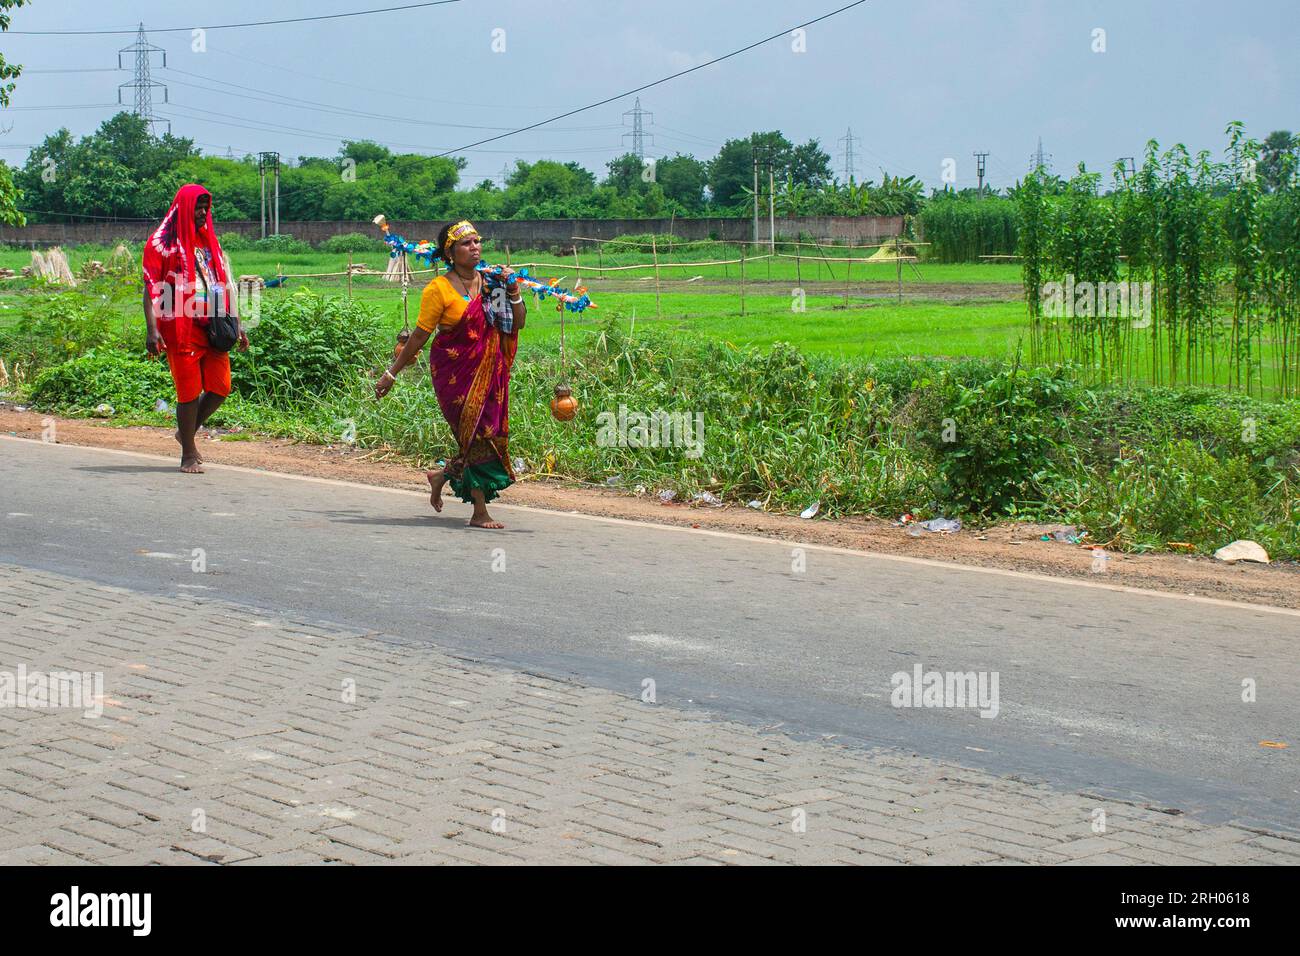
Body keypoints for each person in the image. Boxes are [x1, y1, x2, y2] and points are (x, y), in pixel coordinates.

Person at [374, 220, 526, 529]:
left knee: (487, 436)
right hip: (454, 374)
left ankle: (441, 476)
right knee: (475, 436)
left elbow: (515, 324)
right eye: (467, 244)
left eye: (477, 242)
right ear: (451, 253)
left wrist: (513, 291)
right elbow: (419, 336)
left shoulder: (490, 284)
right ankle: (479, 512)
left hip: (490, 373)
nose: (475, 248)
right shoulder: (438, 289)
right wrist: (391, 374)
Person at [142, 183, 248, 474]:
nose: (203, 213)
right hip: (181, 326)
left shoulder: (209, 241)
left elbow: (225, 284)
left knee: (221, 387)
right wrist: (152, 330)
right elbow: (151, 287)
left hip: (213, 326)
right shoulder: (163, 245)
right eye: (198, 207)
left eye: (206, 208)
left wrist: (237, 324)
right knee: (189, 392)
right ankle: (188, 453)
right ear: (185, 208)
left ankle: (185, 432)